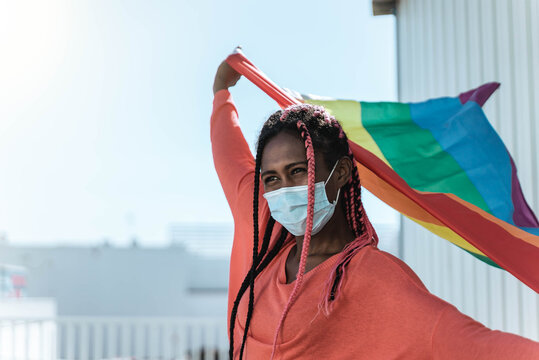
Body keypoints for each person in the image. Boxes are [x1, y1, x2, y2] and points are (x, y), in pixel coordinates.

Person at [211, 60, 539, 360]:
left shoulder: (374, 278)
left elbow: (467, 342)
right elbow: (230, 155)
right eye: (271, 178)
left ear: (339, 173)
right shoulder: (263, 228)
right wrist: (222, 92)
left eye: (299, 171)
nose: (284, 190)